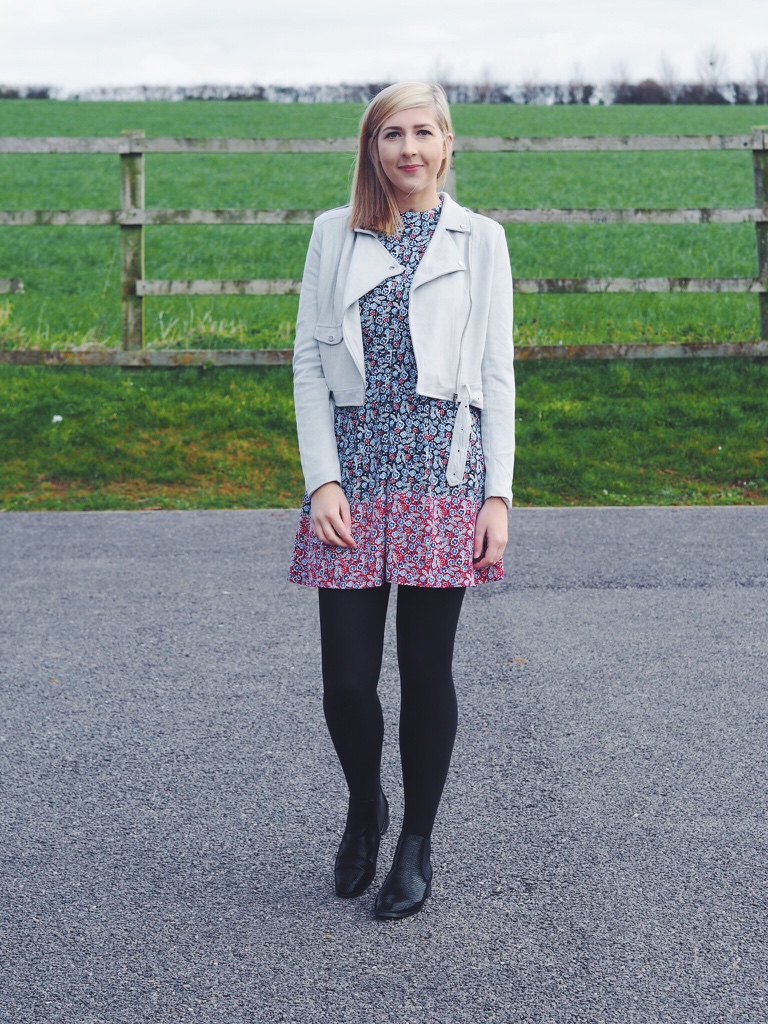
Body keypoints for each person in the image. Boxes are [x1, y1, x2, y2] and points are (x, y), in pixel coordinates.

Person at [288, 81, 515, 920]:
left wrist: (498, 495)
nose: (408, 149)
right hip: (352, 476)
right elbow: (308, 363)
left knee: (425, 669)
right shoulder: (333, 233)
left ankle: (415, 843)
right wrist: (322, 478)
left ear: (448, 144)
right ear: (371, 147)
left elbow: (496, 374)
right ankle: (365, 805)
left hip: (440, 474)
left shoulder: (481, 239)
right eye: (391, 134)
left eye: (423, 132)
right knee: (347, 682)